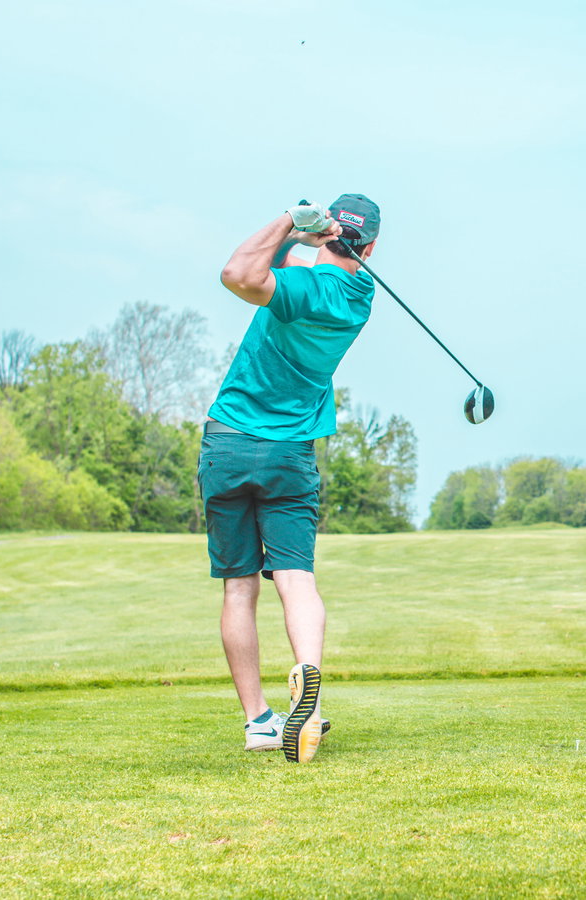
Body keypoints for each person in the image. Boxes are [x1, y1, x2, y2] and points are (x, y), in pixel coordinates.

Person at [202, 194, 381, 763]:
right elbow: (275, 276)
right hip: (289, 457)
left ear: (327, 232)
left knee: (239, 586)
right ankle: (310, 686)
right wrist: (309, 241)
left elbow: (239, 273)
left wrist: (289, 221)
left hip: (228, 443)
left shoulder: (301, 287)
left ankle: (258, 721)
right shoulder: (359, 298)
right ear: (370, 247)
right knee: (296, 578)